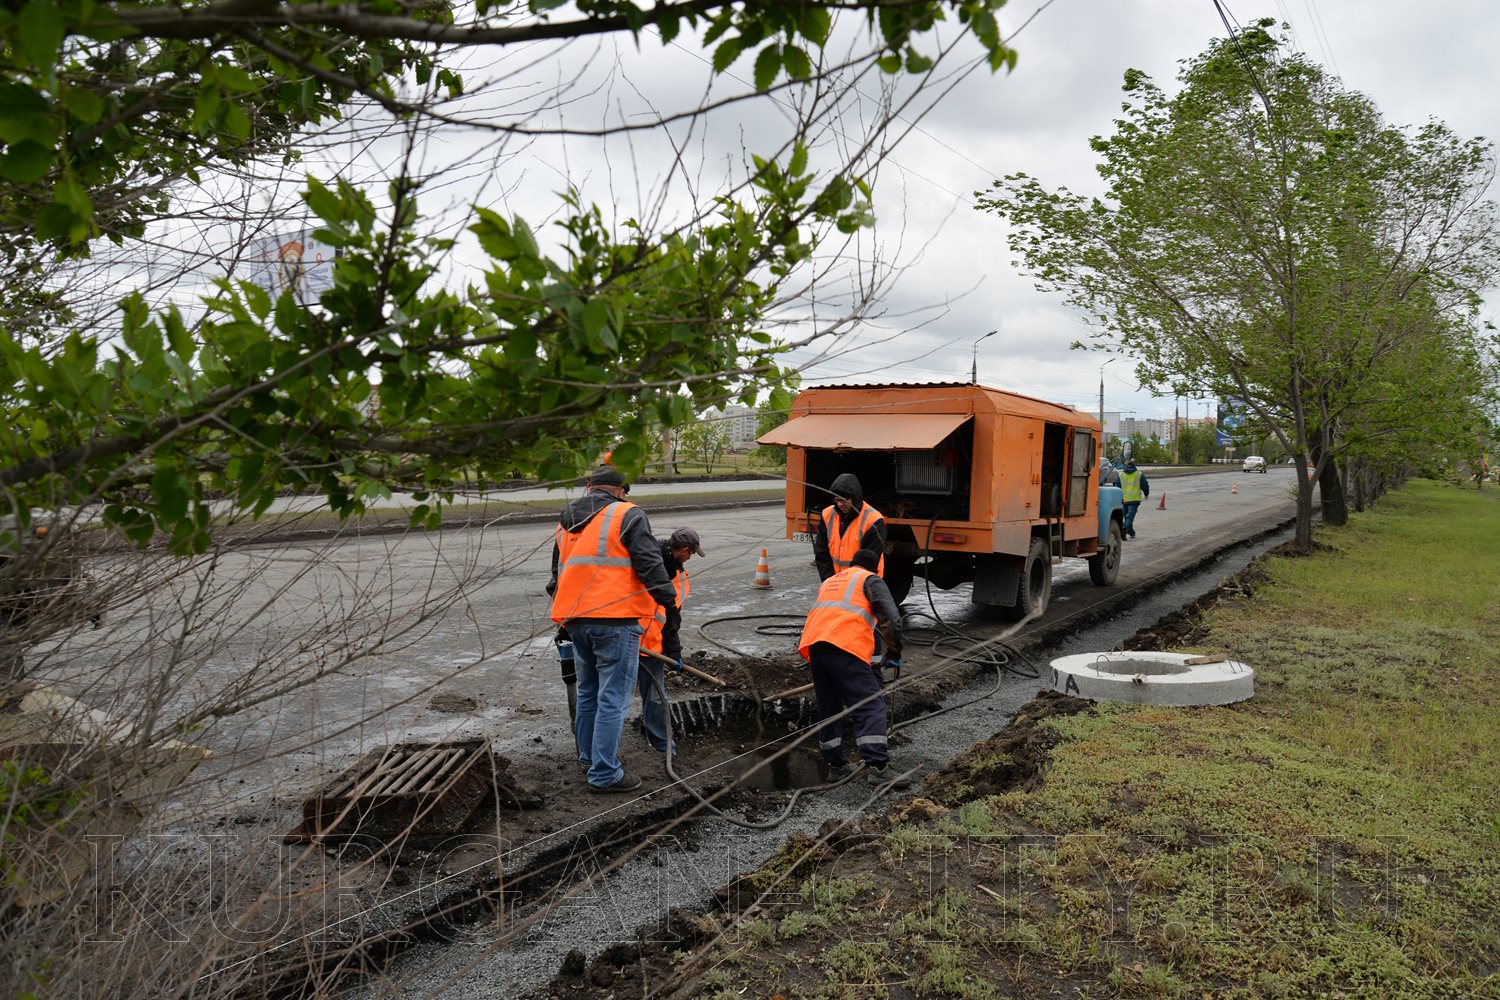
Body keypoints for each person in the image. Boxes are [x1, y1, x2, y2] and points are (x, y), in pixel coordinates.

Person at [547, 464, 679, 793]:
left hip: (576, 620)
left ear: (590, 487)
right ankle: (605, 774)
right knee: (614, 698)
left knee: (590, 692)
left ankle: (590, 758)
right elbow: (649, 563)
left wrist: (568, 616)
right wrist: (668, 600)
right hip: (615, 620)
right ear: (620, 491)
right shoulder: (627, 514)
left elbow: (556, 579)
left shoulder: (565, 523)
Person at [798, 548, 908, 787]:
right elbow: (891, 618)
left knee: (830, 707)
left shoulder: (832, 581)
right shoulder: (870, 579)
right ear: (876, 567)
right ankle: (878, 768)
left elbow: (851, 620)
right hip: (844, 646)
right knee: (870, 704)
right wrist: (894, 652)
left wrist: (875, 658)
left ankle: (836, 766)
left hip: (815, 646)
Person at [636, 526, 703, 753]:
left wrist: (674, 652)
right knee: (614, 700)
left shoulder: (678, 575)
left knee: (656, 698)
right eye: (692, 553)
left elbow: (672, 619)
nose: (691, 558)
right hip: (626, 642)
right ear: (684, 550)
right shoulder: (645, 560)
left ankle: (663, 746)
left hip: (651, 648)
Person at [813, 473, 887, 581]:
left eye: (843, 500)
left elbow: (869, 562)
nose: (840, 504)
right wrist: (830, 581)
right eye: (836, 500)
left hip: (864, 585)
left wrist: (849, 585)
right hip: (835, 583)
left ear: (855, 498)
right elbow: (822, 554)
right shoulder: (827, 515)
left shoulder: (874, 520)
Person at [1119, 458, 1150, 539]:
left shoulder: (1121, 475)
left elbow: (1117, 487)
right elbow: (1145, 485)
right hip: (1134, 499)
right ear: (1134, 466)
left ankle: (1131, 532)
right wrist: (1146, 493)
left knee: (1127, 517)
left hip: (1124, 500)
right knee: (1129, 518)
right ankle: (1125, 529)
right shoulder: (1139, 474)